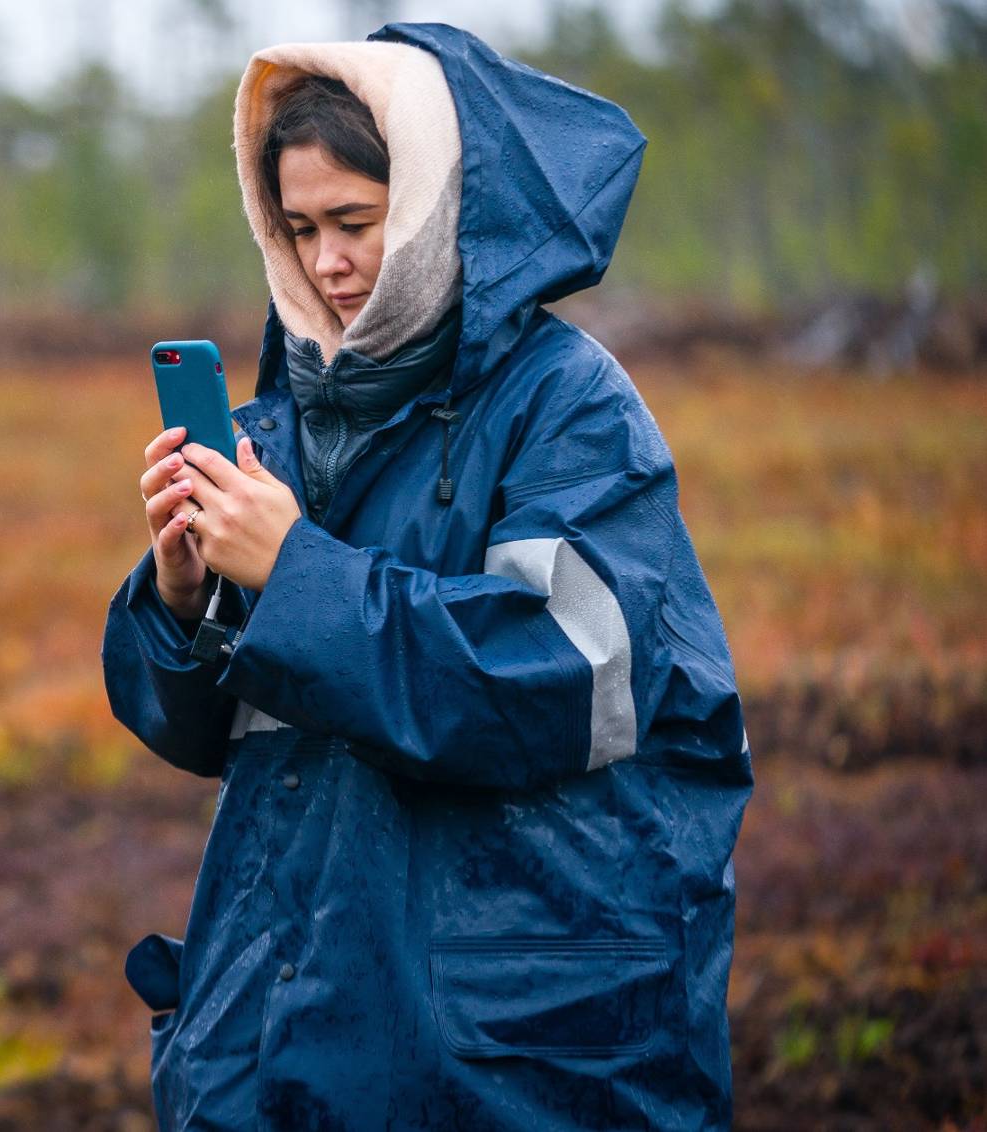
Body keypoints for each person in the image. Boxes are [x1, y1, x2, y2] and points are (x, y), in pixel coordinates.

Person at [101, 22, 752, 1131]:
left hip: (513, 1042)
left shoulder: (569, 409)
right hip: (286, 1025)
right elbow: (202, 733)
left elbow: (551, 678)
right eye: (296, 228)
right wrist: (183, 597)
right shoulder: (284, 428)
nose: (325, 264)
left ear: (437, 206)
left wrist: (294, 572)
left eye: (355, 223)